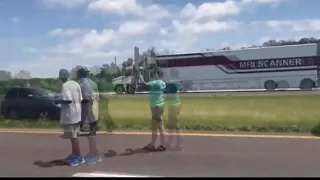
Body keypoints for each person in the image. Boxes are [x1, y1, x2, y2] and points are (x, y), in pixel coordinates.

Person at [54, 69, 84, 167]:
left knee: (73, 137)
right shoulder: (76, 84)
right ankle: (74, 153)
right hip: (77, 113)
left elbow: (68, 100)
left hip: (70, 115)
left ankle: (79, 156)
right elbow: (80, 99)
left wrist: (58, 101)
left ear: (62, 77)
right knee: (73, 136)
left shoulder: (65, 85)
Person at [77, 66, 101, 164]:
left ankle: (91, 130)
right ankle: (92, 129)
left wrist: (84, 102)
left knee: (87, 115)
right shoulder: (89, 81)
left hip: (86, 100)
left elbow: (85, 95)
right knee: (90, 115)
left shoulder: (83, 82)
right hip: (90, 99)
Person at [139, 68, 166, 151]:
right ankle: (152, 144)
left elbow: (144, 84)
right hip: (159, 106)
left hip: (156, 107)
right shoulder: (163, 83)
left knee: (160, 126)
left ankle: (162, 145)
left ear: (157, 74)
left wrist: (140, 75)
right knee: (155, 126)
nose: (153, 76)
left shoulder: (155, 83)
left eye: (154, 74)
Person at [165, 71, 182, 150]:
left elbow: (167, 93)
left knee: (173, 126)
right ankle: (171, 143)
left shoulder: (172, 83)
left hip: (172, 106)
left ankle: (176, 144)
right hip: (177, 105)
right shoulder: (177, 83)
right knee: (174, 125)